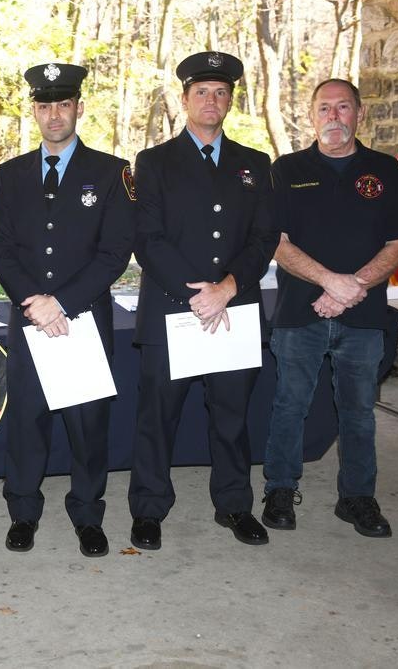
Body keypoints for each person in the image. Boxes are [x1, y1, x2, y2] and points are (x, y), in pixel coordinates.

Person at [128, 51, 278, 549]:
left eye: (221, 93)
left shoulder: (254, 165)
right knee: (157, 420)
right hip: (176, 311)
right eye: (201, 93)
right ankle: (149, 511)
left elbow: (263, 236)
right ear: (185, 99)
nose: (211, 101)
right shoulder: (153, 163)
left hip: (233, 311)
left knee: (232, 418)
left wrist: (229, 288)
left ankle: (234, 506)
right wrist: (198, 294)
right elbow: (147, 238)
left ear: (231, 100)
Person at [0, 63, 136, 556]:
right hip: (31, 322)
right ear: (34, 110)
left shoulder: (112, 172)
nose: (54, 115)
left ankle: (88, 516)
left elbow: (116, 251)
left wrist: (62, 304)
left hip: (83, 321)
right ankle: (23, 512)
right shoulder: (11, 175)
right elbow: (1, 247)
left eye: (64, 105)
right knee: (27, 421)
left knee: (87, 424)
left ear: (78, 108)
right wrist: (36, 304)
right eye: (45, 105)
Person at [261, 79, 398, 538]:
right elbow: (276, 242)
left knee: (358, 412)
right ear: (312, 116)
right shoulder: (286, 170)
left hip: (365, 316)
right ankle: (279, 490)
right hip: (300, 312)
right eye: (325, 108)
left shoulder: (385, 170)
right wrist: (331, 281)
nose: (334, 116)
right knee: (290, 405)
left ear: (359, 114)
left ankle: (356, 499)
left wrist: (354, 287)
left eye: (343, 107)